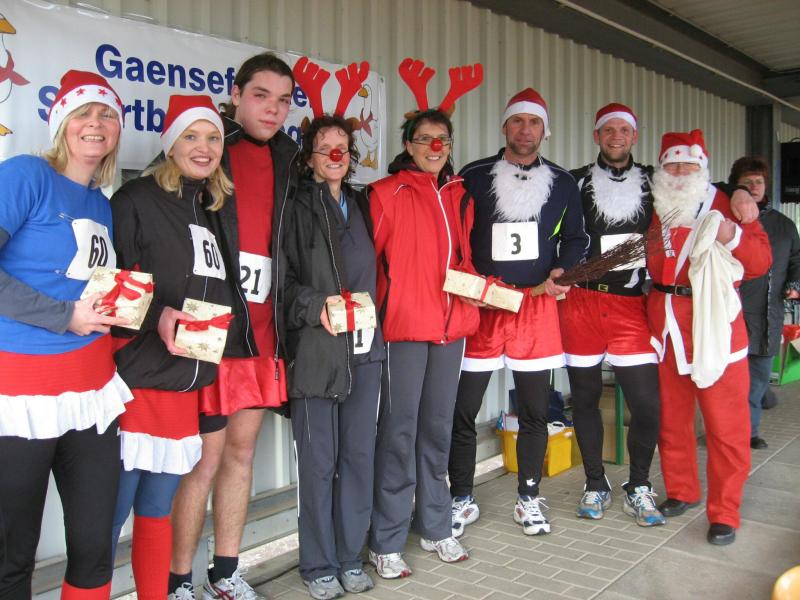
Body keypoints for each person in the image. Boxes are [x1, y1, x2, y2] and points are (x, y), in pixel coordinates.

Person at [168, 53, 298, 600]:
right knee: (202, 460)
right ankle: (178, 581)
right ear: (237, 94)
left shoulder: (291, 157)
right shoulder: (208, 145)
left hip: (263, 332)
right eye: (261, 95)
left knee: (241, 454)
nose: (272, 109)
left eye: (283, 100)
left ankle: (225, 573)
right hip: (211, 329)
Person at [0, 70, 131, 600]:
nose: (96, 124)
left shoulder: (101, 202)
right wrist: (63, 316)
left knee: (95, 545)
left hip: (92, 393)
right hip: (22, 395)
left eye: (107, 114)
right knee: (12, 551)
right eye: (84, 113)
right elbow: (66, 305)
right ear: (61, 123)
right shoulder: (26, 175)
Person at [109, 95, 236, 600]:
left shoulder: (208, 207)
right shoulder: (134, 200)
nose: (204, 148)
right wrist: (158, 316)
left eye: (213, 138)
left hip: (185, 385)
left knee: (155, 513)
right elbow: (111, 291)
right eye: (191, 136)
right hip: (136, 385)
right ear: (170, 143)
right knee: (109, 517)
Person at [447, 88, 589, 538]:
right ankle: (461, 496)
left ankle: (528, 496)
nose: (525, 130)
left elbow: (576, 238)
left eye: (534, 123)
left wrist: (563, 270)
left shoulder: (562, 182)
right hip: (484, 308)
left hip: (536, 306)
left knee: (534, 410)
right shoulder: (473, 175)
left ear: (545, 131)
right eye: (517, 121)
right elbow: (455, 234)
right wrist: (469, 282)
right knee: (462, 408)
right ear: (504, 126)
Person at [368, 58, 482, 579]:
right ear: (409, 145)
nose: (435, 147)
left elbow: (464, 261)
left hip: (450, 330)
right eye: (425, 139)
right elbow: (369, 264)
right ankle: (387, 538)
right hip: (404, 331)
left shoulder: (460, 196)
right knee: (398, 431)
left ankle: (436, 525)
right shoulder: (385, 194)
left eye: (443, 139)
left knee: (436, 429)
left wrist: (484, 292)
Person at [283, 57, 383, 600]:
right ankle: (318, 563)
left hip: (366, 348)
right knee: (319, 463)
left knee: (358, 458)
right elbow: (283, 281)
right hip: (318, 352)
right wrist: (313, 306)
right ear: (310, 158)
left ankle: (349, 556)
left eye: (343, 147)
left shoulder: (365, 205)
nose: (336, 156)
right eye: (325, 149)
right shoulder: (295, 208)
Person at [647, 130, 771, 546]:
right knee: (672, 420)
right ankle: (682, 490)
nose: (681, 171)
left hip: (716, 327)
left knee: (726, 427)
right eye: (673, 164)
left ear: (703, 168)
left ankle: (725, 512)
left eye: (690, 164)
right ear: (662, 168)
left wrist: (732, 233)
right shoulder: (656, 203)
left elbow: (760, 261)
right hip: (666, 327)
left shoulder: (729, 204)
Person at [563, 103, 664, 526]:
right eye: (608, 130)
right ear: (596, 136)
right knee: (584, 398)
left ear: (634, 136)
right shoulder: (574, 181)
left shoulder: (655, 182)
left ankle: (638, 485)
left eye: (624, 130)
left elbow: (695, 197)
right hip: (581, 303)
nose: (616, 136)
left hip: (631, 306)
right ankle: (595, 483)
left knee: (647, 404)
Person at [729, 156, 800, 450]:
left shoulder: (784, 225)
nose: (754, 187)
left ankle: (750, 432)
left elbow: (796, 261)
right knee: (730, 380)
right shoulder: (725, 222)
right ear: (736, 186)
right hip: (732, 313)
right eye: (747, 182)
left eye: (758, 181)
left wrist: (794, 285)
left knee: (758, 378)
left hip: (769, 315)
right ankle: (727, 432)